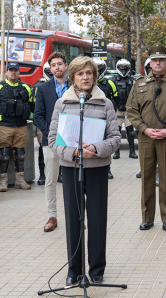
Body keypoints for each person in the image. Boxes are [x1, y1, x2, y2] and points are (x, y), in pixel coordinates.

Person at [48, 56, 120, 285]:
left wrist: (96, 148)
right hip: (71, 169)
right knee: (73, 219)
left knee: (97, 219)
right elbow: (52, 140)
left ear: (95, 76)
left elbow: (116, 138)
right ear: (73, 78)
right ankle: (74, 270)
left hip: (98, 168)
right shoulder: (63, 103)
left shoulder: (105, 103)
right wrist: (74, 153)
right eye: (80, 73)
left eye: (89, 73)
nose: (86, 77)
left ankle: (97, 269)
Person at [127, 44, 166, 231]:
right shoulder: (139, 85)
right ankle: (147, 217)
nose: (158, 63)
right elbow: (131, 110)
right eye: (155, 60)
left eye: (161, 60)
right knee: (146, 178)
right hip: (146, 137)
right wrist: (144, 129)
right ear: (150, 62)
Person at [34, 52, 69, 232]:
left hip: (73, 141)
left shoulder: (76, 86)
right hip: (51, 141)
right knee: (51, 180)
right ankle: (52, 216)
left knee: (75, 180)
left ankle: (76, 216)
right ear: (50, 68)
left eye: (60, 64)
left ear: (66, 65)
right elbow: (38, 116)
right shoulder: (43, 89)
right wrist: (51, 133)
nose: (57, 67)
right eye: (54, 65)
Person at [0, 62, 33, 192]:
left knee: (20, 154)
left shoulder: (26, 87)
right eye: (11, 70)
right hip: (4, 126)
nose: (13, 72)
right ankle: (2, 181)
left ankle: (20, 181)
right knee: (4, 155)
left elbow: (31, 104)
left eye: (16, 70)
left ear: (19, 72)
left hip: (21, 125)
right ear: (6, 72)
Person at [94, 57, 118, 179]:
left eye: (99, 68)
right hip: (93, 119)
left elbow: (115, 99)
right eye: (95, 68)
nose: (97, 71)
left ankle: (107, 169)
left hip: (106, 118)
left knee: (106, 143)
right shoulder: (89, 83)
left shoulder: (110, 83)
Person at [111, 59, 138, 159]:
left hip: (128, 109)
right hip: (117, 109)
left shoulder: (132, 80)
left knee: (130, 132)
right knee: (117, 132)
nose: (123, 69)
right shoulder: (113, 80)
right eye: (121, 67)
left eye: (125, 67)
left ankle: (132, 151)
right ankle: (116, 152)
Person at [136, 58, 152, 179]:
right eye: (149, 69)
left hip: (164, 131)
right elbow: (132, 108)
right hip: (144, 130)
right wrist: (142, 127)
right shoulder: (139, 84)